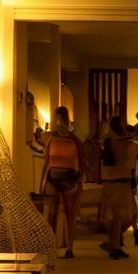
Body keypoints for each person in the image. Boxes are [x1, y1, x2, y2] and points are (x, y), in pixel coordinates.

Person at [39, 105, 84, 258]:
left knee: (67, 213)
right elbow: (46, 162)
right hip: (57, 176)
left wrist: (80, 181)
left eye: (59, 119)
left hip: (67, 177)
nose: (59, 122)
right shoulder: (54, 138)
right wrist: (42, 182)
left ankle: (68, 247)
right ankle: (55, 246)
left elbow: (81, 163)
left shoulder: (71, 140)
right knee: (55, 214)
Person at [100, 116, 138, 260]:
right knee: (118, 215)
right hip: (114, 179)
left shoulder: (120, 141)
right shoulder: (113, 142)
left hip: (121, 179)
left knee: (125, 216)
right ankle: (114, 246)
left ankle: (113, 243)